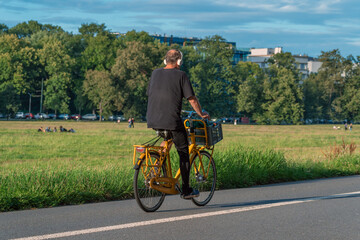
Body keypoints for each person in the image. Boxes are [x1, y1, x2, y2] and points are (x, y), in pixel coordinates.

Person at [146, 49, 210, 199]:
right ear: (179, 62)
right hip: (171, 120)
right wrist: (201, 114)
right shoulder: (181, 75)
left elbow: (152, 93)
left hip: (153, 119)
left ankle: (154, 172)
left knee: (166, 140)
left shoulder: (155, 73)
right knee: (183, 153)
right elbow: (192, 99)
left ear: (165, 61)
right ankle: (186, 190)